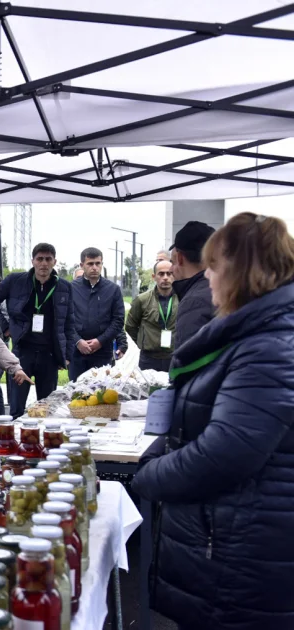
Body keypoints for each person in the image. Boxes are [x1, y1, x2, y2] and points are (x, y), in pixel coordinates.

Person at [132, 212, 294, 630]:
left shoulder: (268, 348)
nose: (207, 279)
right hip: (235, 541)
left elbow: (223, 454)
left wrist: (148, 475)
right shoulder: (257, 334)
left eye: (215, 268)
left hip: (243, 551)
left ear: (240, 272)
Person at [0, 243, 78, 418]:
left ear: (55, 262)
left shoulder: (64, 287)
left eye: (48, 259)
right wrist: (5, 328)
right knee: (16, 408)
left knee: (47, 409)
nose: (43, 263)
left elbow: (69, 323)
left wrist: (67, 355)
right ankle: (16, 443)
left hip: (49, 355)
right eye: (40, 259)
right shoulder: (16, 281)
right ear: (33, 261)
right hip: (22, 353)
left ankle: (44, 443)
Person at [70, 247, 125, 380]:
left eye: (98, 263)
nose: (94, 267)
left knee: (101, 394)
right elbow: (63, 320)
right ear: (82, 265)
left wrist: (100, 341)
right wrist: (78, 341)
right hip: (77, 353)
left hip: (103, 352)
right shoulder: (70, 288)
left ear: (102, 264)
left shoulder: (113, 290)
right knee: (77, 395)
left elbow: (118, 320)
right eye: (90, 264)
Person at [170, 220, 216, 347]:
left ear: (180, 258)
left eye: (172, 262)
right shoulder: (228, 290)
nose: (170, 270)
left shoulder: (194, 302)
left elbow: (188, 363)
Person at [125, 260, 176, 372]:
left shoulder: (183, 298)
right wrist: (144, 341)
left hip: (174, 357)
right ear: (154, 276)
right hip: (149, 359)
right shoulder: (142, 300)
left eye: (169, 273)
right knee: (148, 389)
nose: (165, 277)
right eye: (161, 274)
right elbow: (130, 326)